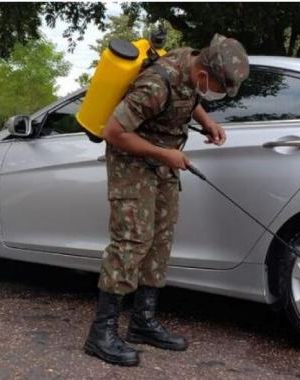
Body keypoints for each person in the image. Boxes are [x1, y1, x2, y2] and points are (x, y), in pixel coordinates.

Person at [83, 34, 249, 366]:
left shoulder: (192, 64)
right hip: (132, 165)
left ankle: (142, 323)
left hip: (162, 164)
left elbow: (189, 97)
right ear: (205, 72)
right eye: (218, 85)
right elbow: (113, 133)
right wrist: (165, 154)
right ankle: (100, 334)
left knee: (160, 240)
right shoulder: (156, 84)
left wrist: (207, 121)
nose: (217, 92)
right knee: (131, 242)